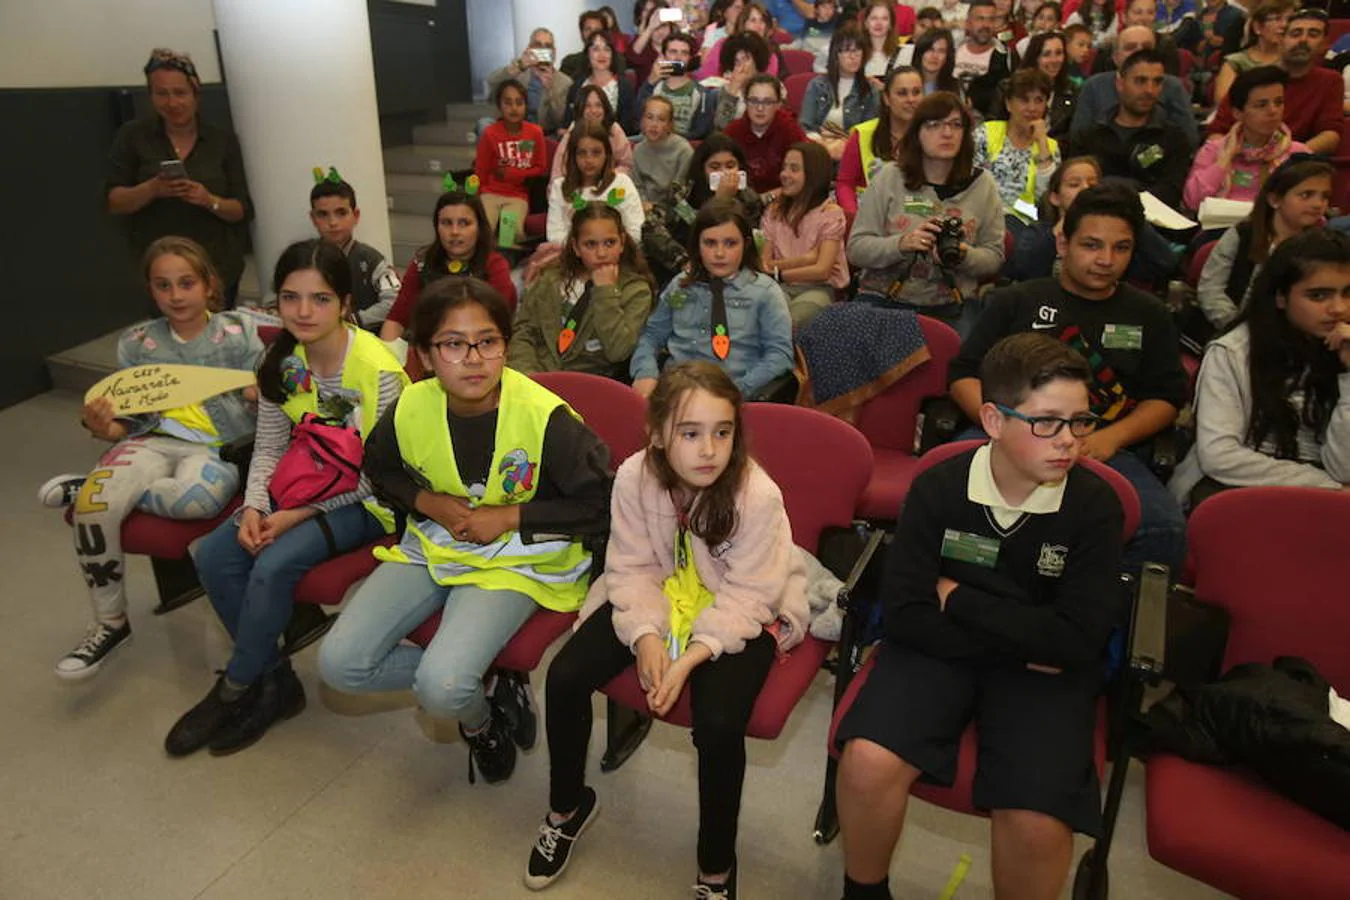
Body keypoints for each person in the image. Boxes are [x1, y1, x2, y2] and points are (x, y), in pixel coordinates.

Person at [835, 332, 1125, 900]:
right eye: (1046, 422)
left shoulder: (1095, 507)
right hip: (949, 651)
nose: (1069, 441)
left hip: (1031, 670)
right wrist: (1025, 640)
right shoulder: (939, 486)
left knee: (1037, 819)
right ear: (993, 419)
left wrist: (961, 600)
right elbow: (907, 613)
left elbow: (1078, 641)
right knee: (867, 761)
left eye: (1080, 422)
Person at [523, 360, 807, 899]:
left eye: (723, 433)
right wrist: (647, 635)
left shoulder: (757, 494)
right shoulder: (633, 475)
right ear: (656, 435)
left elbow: (750, 597)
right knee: (565, 676)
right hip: (658, 587)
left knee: (719, 725)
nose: (709, 450)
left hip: (737, 604)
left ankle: (715, 870)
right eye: (691, 433)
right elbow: (629, 569)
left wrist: (691, 656)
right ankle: (567, 808)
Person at [318, 276, 611, 783]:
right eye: (454, 344)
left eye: (488, 341)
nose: (473, 358)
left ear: (505, 346)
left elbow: (606, 502)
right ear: (426, 356)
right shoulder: (411, 404)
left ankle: (473, 716)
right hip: (436, 542)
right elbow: (380, 467)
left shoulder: (546, 417)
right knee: (340, 665)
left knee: (442, 686)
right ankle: (486, 696)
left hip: (518, 557)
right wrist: (425, 499)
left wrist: (509, 516)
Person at [166, 240, 409, 758]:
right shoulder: (279, 358)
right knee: (213, 553)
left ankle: (236, 686)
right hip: (302, 485)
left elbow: (383, 475)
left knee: (273, 563)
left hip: (370, 502)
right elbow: (272, 443)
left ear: (345, 303)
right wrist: (254, 506)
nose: (303, 311)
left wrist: (295, 516)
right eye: (290, 298)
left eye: (319, 299)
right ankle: (274, 682)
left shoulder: (378, 370)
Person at [42, 237, 261, 681]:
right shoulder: (138, 343)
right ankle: (111, 624)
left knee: (195, 500)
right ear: (151, 290)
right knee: (94, 508)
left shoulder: (239, 332)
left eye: (186, 283)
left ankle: (93, 484)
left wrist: (262, 393)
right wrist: (104, 428)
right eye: (163, 286)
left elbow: (275, 394)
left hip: (216, 449)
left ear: (208, 284)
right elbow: (127, 421)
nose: (176, 295)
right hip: (151, 442)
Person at [950, 183, 1189, 574]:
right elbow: (962, 376)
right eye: (1092, 245)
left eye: (1121, 248)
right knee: (936, 492)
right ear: (1063, 244)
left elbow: (1165, 398)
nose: (1106, 260)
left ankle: (1099, 618)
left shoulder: (1150, 314)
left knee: (1162, 530)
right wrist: (1003, 428)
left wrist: (1111, 438)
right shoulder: (1017, 300)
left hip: (1102, 444)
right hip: (1005, 436)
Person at [1171, 229, 1350, 506]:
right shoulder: (1232, 352)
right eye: (1318, 296)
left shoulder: (1345, 347)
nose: (1338, 308)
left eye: (1348, 293)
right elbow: (1220, 456)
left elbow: (1344, 468)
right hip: (1242, 486)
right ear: (1281, 297)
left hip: (1328, 491)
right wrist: (1326, 486)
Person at [847, 92, 1006, 339]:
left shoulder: (983, 184)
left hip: (951, 306)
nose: (947, 133)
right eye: (934, 125)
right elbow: (856, 249)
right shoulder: (890, 177)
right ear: (917, 133)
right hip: (885, 300)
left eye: (956, 125)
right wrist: (901, 244)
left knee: (960, 363)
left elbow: (994, 257)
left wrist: (962, 255)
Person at [105, 48, 253, 307]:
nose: (172, 103)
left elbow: (242, 209)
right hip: (160, 272)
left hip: (216, 268)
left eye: (180, 93)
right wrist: (151, 189)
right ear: (151, 96)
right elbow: (114, 201)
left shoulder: (222, 141)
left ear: (196, 94)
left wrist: (209, 200)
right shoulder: (133, 137)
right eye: (162, 94)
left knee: (219, 342)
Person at [632, 201, 794, 398]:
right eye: (710, 243)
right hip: (674, 391)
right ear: (697, 246)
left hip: (731, 393)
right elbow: (652, 335)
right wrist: (645, 372)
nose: (719, 253)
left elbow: (779, 356)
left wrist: (738, 390)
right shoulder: (680, 286)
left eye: (730, 243)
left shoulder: (765, 293)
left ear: (746, 244)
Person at [510, 202, 657, 375]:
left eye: (610, 243)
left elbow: (618, 351)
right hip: (536, 375)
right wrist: (528, 377)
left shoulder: (636, 291)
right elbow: (524, 332)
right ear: (576, 247)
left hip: (586, 384)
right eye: (590, 244)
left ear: (622, 243)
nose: (601, 253)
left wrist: (605, 291)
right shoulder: (551, 278)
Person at [1197, 157, 1332, 330]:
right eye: (1306, 195)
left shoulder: (1325, 246)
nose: (1318, 204)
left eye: (1325, 197)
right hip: (1235, 330)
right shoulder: (1243, 235)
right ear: (1275, 200)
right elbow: (1211, 290)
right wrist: (1238, 329)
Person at [1005, 155, 1180, 286]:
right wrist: (1060, 229)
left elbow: (1165, 263)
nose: (1084, 189)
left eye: (1093, 184)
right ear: (1055, 197)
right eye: (1074, 184)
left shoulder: (1117, 237)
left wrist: (1134, 216)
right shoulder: (1037, 232)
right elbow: (1023, 270)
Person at [381, 188, 518, 343]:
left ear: (479, 227)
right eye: (446, 223)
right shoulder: (422, 262)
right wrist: (387, 358)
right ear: (436, 227)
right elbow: (396, 320)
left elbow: (497, 323)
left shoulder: (494, 265)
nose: (454, 232)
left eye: (464, 223)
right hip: (429, 346)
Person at [1207, 8, 1342, 155]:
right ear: (1281, 40)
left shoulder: (1330, 81)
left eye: (1313, 34)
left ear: (1324, 43)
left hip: (1299, 163)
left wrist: (1287, 156)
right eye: (1295, 33)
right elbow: (1217, 132)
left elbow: (1330, 135)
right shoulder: (1253, 78)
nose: (1303, 40)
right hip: (1243, 161)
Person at [1074, 49, 1191, 209]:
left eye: (1156, 82)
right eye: (1140, 81)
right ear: (1120, 84)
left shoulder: (1172, 139)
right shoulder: (1090, 135)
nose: (1149, 90)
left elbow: (1170, 192)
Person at [643, 133, 766, 284]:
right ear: (702, 169)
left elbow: (752, 241)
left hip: (733, 272)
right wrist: (683, 261)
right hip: (684, 269)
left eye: (730, 166)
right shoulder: (682, 195)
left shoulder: (750, 199)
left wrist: (724, 201)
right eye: (715, 167)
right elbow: (651, 227)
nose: (723, 173)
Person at [1184, 66, 1307, 210]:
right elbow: (1191, 201)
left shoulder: (1297, 155)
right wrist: (1224, 160)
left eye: (1279, 102)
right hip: (1220, 227)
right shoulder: (1214, 150)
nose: (1273, 111)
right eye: (1261, 105)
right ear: (1238, 113)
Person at [759, 142, 850, 326]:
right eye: (784, 167)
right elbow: (763, 263)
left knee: (791, 320)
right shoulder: (773, 211)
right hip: (779, 287)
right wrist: (807, 259)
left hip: (819, 288)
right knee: (767, 316)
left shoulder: (830, 213)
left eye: (794, 169)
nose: (785, 175)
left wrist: (778, 273)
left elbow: (822, 271)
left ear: (813, 175)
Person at [1069, 25, 1200, 148]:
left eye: (1146, 47)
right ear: (1115, 57)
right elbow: (1078, 137)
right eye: (1130, 47)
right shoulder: (1094, 85)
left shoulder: (1172, 86)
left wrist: (1145, 159)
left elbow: (1188, 139)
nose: (1139, 52)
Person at [308, 171, 402, 330]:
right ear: (313, 219)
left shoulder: (371, 259)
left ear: (356, 215)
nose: (332, 222)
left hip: (364, 340)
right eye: (323, 214)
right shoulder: (305, 258)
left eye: (341, 213)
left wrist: (354, 320)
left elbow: (394, 300)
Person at [973, 68, 1061, 232]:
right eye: (1024, 100)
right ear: (1008, 104)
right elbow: (970, 184)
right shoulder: (986, 133)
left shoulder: (1050, 147)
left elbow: (1047, 198)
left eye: (1039, 100)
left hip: (1027, 224)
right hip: (985, 218)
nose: (1032, 108)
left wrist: (1042, 142)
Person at [837, 66, 924, 218]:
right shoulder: (863, 134)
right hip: (871, 216)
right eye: (902, 93)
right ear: (886, 99)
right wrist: (854, 216)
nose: (911, 100)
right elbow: (845, 184)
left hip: (920, 215)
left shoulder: (933, 134)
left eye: (916, 92)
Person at [476, 80, 550, 249]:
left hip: (517, 196)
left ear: (525, 105)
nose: (514, 108)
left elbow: (540, 168)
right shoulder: (490, 133)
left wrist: (514, 174)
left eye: (519, 102)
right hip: (491, 193)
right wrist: (478, 198)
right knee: (483, 231)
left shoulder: (534, 132)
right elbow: (481, 170)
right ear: (500, 106)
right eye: (508, 103)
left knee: (509, 234)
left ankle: (506, 263)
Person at [547, 121, 646, 247]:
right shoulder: (560, 187)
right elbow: (555, 236)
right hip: (573, 258)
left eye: (596, 152)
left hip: (617, 258)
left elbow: (636, 231)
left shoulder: (622, 184)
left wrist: (608, 249)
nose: (589, 160)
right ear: (573, 156)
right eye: (582, 153)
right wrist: (586, 251)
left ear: (607, 154)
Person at [801, 23, 880, 158]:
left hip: (853, 154)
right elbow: (805, 126)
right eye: (846, 50)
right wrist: (824, 146)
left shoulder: (870, 91)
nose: (853, 56)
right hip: (818, 152)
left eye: (857, 50)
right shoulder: (817, 85)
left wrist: (843, 146)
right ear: (836, 55)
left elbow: (868, 134)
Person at [724, 75, 809, 193]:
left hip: (783, 198)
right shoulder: (732, 132)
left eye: (768, 102)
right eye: (754, 101)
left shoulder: (790, 131)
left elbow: (803, 178)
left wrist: (772, 197)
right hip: (741, 198)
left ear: (778, 104)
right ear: (745, 101)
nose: (759, 108)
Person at [486, 28, 574, 135]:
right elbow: (491, 81)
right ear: (529, 48)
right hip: (512, 129)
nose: (543, 50)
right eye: (538, 45)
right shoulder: (518, 72)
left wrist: (550, 90)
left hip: (543, 134)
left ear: (553, 53)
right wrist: (518, 66)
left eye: (547, 46)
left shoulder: (564, 82)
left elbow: (560, 121)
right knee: (484, 124)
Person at [636, 31, 719, 140]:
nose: (678, 57)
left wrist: (668, 138)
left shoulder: (702, 93)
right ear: (663, 56)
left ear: (690, 58)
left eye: (684, 53)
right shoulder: (652, 87)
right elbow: (637, 119)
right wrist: (650, 82)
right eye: (673, 52)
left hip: (683, 146)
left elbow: (700, 133)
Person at [1211, 0, 1293, 109]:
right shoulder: (1236, 62)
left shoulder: (1294, 61)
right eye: (1277, 19)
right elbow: (1223, 103)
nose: (1285, 25)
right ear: (1257, 27)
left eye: (1290, 19)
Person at [564, 31, 639, 135]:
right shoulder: (577, 86)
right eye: (596, 49)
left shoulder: (624, 87)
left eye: (607, 49)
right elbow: (567, 123)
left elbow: (628, 127)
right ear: (587, 54)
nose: (602, 54)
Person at [554, 86, 636, 179]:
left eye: (598, 105)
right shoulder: (574, 129)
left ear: (605, 108)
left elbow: (627, 165)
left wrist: (608, 177)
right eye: (587, 106)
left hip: (610, 183)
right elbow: (558, 169)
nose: (593, 110)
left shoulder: (614, 129)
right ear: (580, 109)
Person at [633, 96, 696, 209]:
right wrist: (643, 204)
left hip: (675, 209)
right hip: (644, 207)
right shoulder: (638, 150)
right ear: (642, 120)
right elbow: (637, 186)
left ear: (669, 125)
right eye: (649, 117)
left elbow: (681, 194)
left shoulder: (683, 151)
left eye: (661, 119)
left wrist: (658, 209)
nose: (654, 124)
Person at [957, 0, 1015, 115]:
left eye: (991, 19)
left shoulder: (1006, 55)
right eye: (980, 19)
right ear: (968, 22)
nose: (986, 25)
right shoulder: (952, 50)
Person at [698, 2, 785, 79]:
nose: (759, 25)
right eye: (753, 20)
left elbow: (767, 84)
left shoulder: (770, 53)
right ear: (743, 23)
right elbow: (706, 75)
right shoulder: (723, 44)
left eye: (762, 20)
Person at [710, 32, 779, 128]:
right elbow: (721, 127)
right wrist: (732, 92)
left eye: (745, 59)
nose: (740, 66)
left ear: (756, 61)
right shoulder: (719, 93)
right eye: (736, 61)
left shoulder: (774, 88)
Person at [1021, 31, 1079, 140]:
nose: (1054, 60)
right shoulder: (1010, 87)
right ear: (1035, 58)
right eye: (1046, 54)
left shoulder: (1073, 91)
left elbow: (1074, 136)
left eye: (1058, 53)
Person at [561, 11, 628, 81]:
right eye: (588, 29)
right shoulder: (569, 62)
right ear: (581, 34)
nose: (592, 33)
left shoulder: (618, 60)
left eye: (597, 30)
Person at [626, 0, 679, 85]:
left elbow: (693, 61)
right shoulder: (644, 50)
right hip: (648, 95)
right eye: (656, 28)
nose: (661, 32)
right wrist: (650, 27)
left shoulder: (676, 48)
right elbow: (631, 57)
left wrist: (685, 27)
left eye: (664, 26)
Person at [860, 0, 905, 80]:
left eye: (884, 19)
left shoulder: (903, 53)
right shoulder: (856, 53)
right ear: (866, 23)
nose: (879, 23)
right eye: (874, 18)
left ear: (891, 24)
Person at [913, 27, 963, 96]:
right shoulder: (906, 83)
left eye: (941, 51)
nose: (935, 56)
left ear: (947, 57)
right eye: (930, 49)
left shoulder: (955, 87)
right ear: (921, 52)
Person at [797, 0, 841, 71]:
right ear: (816, 9)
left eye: (831, 8)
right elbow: (801, 41)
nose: (828, 10)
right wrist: (787, 47)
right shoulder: (810, 22)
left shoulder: (837, 25)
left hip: (823, 61)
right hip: (806, 58)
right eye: (824, 7)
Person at [1063, 22, 1096, 87]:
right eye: (1081, 45)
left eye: (1089, 46)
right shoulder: (1059, 69)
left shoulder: (1076, 67)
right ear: (1066, 44)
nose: (1086, 50)